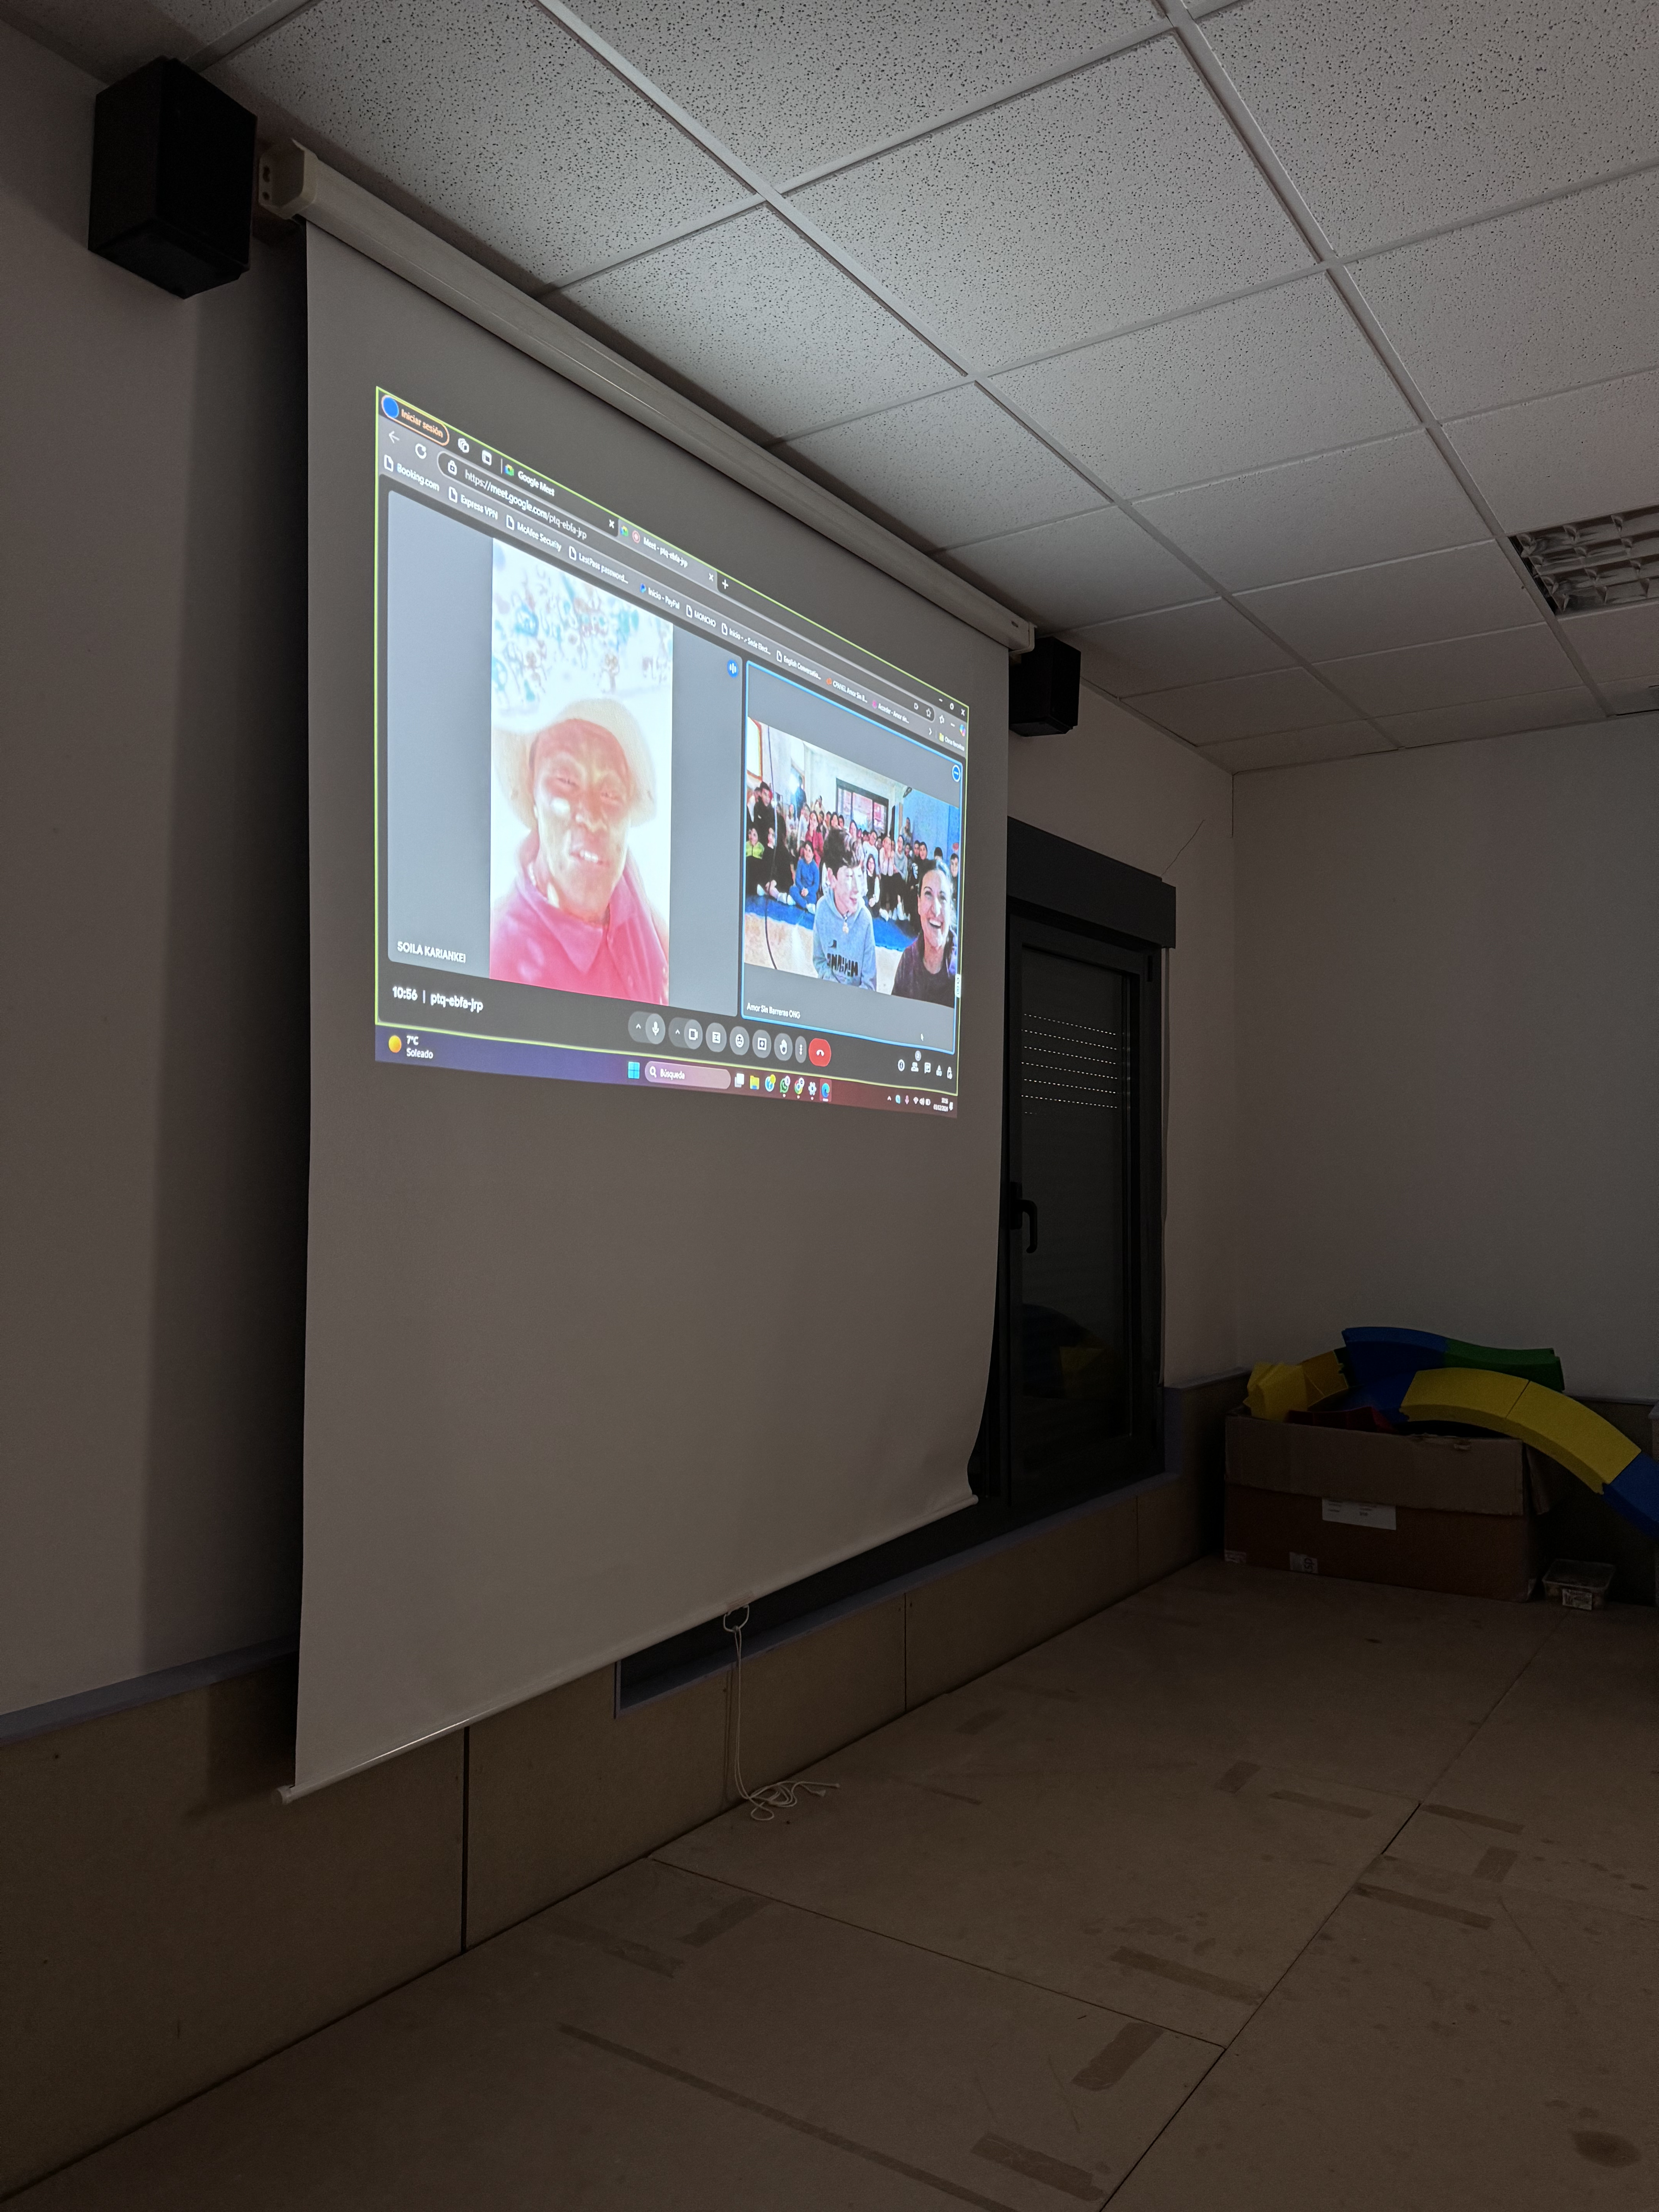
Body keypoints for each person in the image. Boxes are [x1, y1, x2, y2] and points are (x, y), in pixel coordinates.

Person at [489, 698, 668, 1001]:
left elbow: (658, 939)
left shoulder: (619, 871)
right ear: (533, 791)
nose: (594, 817)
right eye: (566, 781)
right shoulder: (502, 962)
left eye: (611, 794)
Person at [812, 827, 876, 989]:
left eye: (859, 875)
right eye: (849, 876)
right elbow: (819, 960)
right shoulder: (822, 910)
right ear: (831, 878)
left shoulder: (865, 920)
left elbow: (869, 984)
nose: (858, 888)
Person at [890, 855, 956, 1006]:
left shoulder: (963, 968)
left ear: (951, 908)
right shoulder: (908, 960)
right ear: (919, 904)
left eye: (943, 897)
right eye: (928, 894)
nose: (936, 909)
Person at [792, 839, 820, 915]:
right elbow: (797, 880)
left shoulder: (815, 868)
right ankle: (806, 906)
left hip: (809, 893)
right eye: (806, 850)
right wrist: (802, 889)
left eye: (810, 851)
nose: (807, 853)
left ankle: (798, 902)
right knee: (792, 889)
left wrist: (807, 891)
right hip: (801, 890)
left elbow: (816, 886)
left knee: (813, 899)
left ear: (813, 854)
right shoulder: (800, 862)